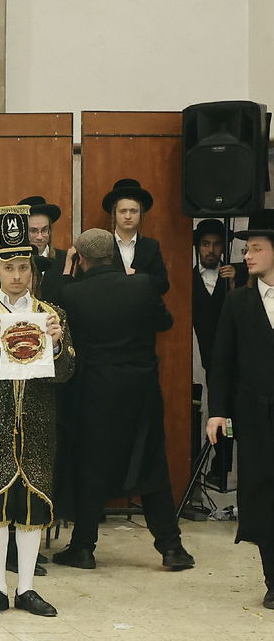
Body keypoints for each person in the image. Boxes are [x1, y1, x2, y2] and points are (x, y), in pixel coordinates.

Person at [0, 207, 75, 617]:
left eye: (24, 267)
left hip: (38, 425)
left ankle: (26, 588)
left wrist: (56, 346)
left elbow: (67, 373)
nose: (18, 275)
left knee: (31, 507)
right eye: (9, 268)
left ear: (33, 272)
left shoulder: (51, 315)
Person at [53, 229, 194, 570]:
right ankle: (171, 548)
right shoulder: (142, 285)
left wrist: (67, 271)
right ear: (114, 255)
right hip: (141, 391)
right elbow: (165, 322)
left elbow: (55, 307)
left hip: (94, 392)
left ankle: (83, 548)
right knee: (151, 465)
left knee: (90, 466)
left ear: (81, 259)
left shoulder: (72, 293)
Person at [207, 210, 274, 608]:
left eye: (256, 248)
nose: (247, 256)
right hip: (255, 415)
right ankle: (273, 579)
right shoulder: (238, 301)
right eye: (247, 249)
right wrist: (217, 411)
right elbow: (222, 361)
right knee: (262, 493)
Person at [193, 217, 246, 371]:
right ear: (198, 247)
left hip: (240, 361)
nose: (211, 250)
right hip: (209, 362)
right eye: (205, 244)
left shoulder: (240, 274)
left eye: (216, 244)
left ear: (223, 247)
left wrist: (234, 284)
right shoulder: (187, 280)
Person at [103, 178, 169, 295]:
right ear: (114, 213)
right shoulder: (102, 245)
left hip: (142, 305)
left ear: (141, 214)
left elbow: (163, 285)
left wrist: (136, 275)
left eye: (133, 211)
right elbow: (89, 283)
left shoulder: (151, 246)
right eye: (123, 211)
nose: (128, 216)